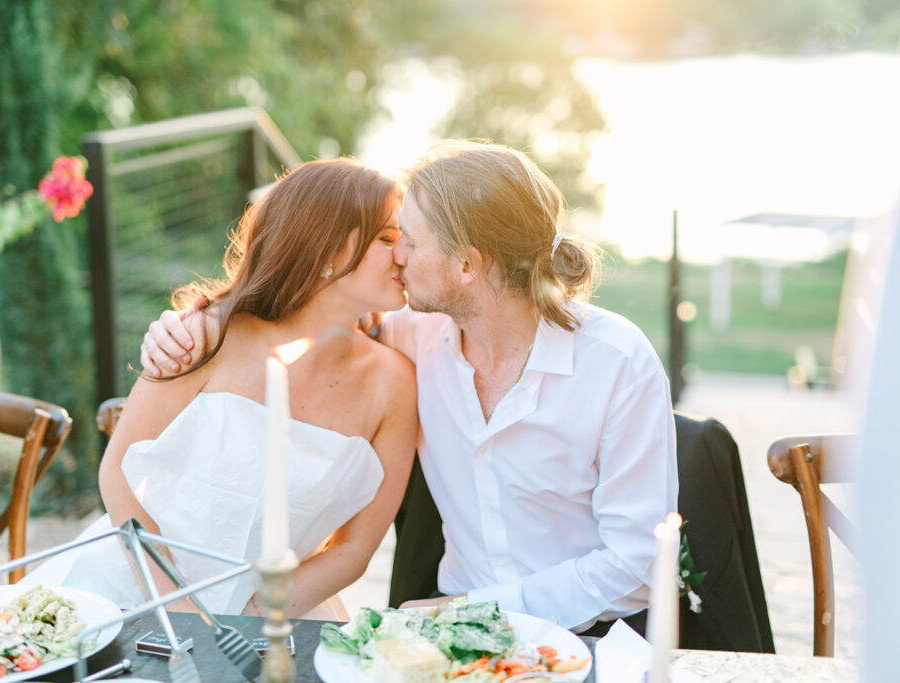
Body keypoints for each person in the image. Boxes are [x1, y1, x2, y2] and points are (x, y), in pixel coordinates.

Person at [141, 140, 677, 634]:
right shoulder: (409, 334)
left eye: (410, 242)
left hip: (592, 636)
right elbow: (305, 315)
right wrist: (192, 324)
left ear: (467, 265)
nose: (397, 257)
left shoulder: (617, 364)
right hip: (445, 637)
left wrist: (477, 609)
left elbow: (640, 566)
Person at [23, 158, 417, 620]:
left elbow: (353, 549)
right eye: (388, 238)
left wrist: (248, 619)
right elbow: (118, 474)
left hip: (281, 607)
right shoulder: (207, 334)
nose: (405, 254)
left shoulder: (393, 383)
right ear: (325, 246)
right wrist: (182, 608)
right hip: (137, 579)